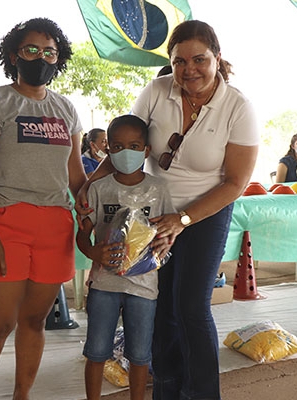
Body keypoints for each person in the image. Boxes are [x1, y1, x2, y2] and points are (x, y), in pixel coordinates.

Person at [77, 20, 259, 399]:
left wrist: (183, 220)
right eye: (180, 61)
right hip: (149, 214)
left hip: (205, 215)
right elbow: (125, 143)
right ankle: (167, 390)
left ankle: (202, 394)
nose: (189, 69)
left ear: (217, 58)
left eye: (199, 59)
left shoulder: (237, 107)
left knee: (191, 307)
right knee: (157, 304)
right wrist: (90, 185)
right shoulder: (157, 91)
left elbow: (235, 183)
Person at [0, 18, 86, 399]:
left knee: (34, 321)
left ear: (58, 59)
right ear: (14, 55)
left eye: (49, 52)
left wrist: (98, 211)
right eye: (31, 50)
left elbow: (76, 176)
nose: (40, 58)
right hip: (3, 222)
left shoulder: (66, 108)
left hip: (55, 227)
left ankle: (22, 395)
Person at [77, 115, 175, 400]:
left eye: (134, 146)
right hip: (104, 286)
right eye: (118, 147)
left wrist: (163, 244)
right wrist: (93, 251)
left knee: (140, 355)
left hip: (144, 287)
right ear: (108, 150)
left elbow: (167, 232)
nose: (126, 153)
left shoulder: (158, 189)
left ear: (146, 151)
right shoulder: (99, 188)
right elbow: (82, 234)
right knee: (96, 352)